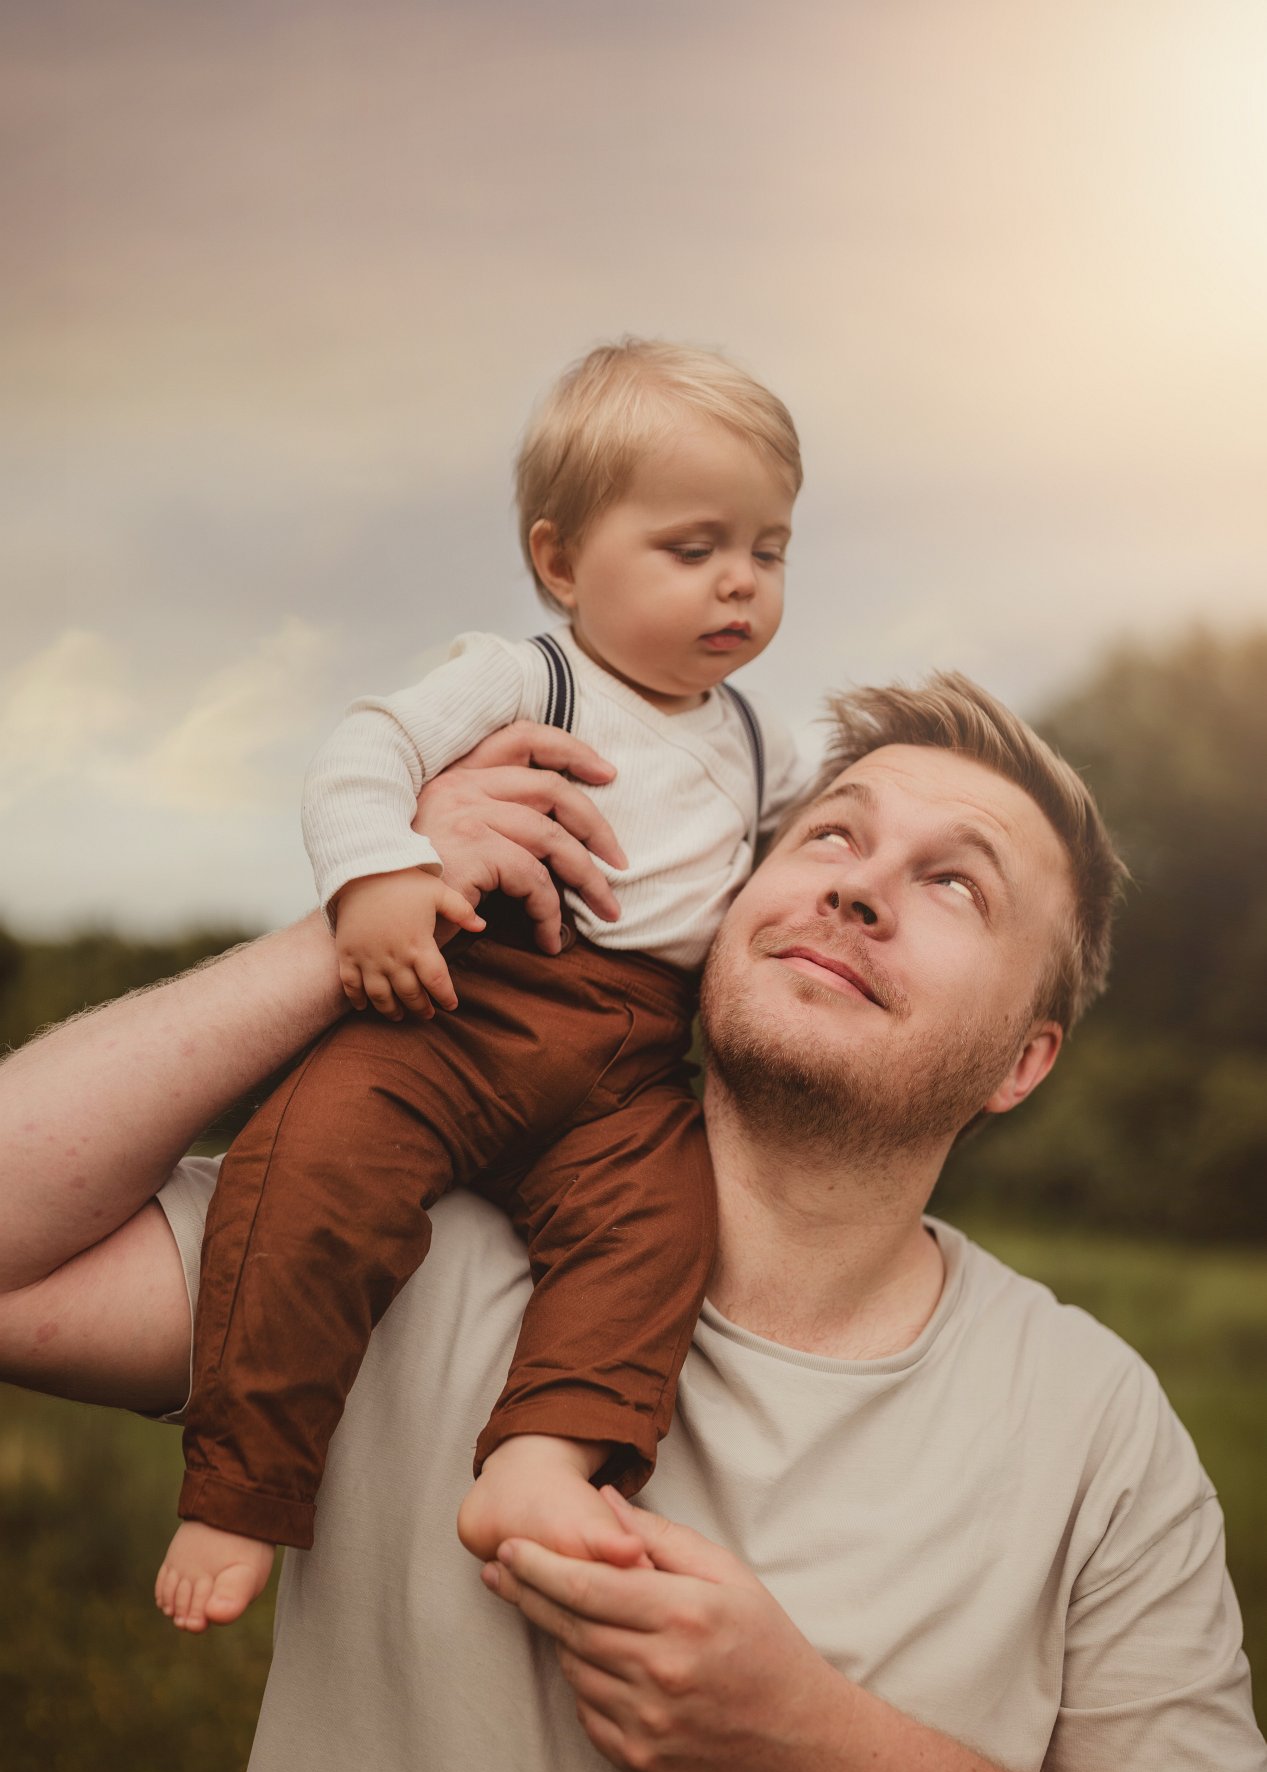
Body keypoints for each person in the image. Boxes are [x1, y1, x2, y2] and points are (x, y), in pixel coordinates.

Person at [2, 678, 1264, 1772]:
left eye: (953, 883)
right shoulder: (402, 1238)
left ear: (1021, 1061)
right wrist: (370, 905)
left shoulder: (1096, 1420)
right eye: (832, 833)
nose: (859, 888)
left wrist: (803, 1742)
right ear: (727, 901)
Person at [154, 337, 809, 1634]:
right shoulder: (529, 676)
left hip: (629, 1066)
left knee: (658, 1234)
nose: (737, 582)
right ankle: (244, 1483)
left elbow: (811, 843)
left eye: (769, 550)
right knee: (311, 1176)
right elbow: (368, 745)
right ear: (562, 561)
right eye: (692, 549)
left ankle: (543, 1457)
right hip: (459, 1006)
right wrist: (380, 876)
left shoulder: (757, 739)